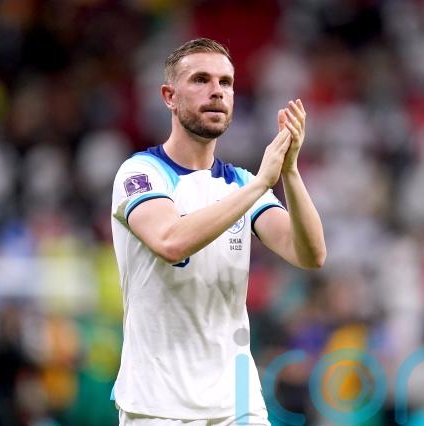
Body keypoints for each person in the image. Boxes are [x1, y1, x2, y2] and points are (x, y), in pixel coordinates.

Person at [110, 38, 325, 425]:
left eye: (226, 82)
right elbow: (171, 241)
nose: (216, 91)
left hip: (237, 401)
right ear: (169, 97)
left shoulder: (241, 183)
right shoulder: (141, 172)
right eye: (201, 80)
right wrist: (261, 184)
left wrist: (289, 172)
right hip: (157, 404)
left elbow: (309, 254)